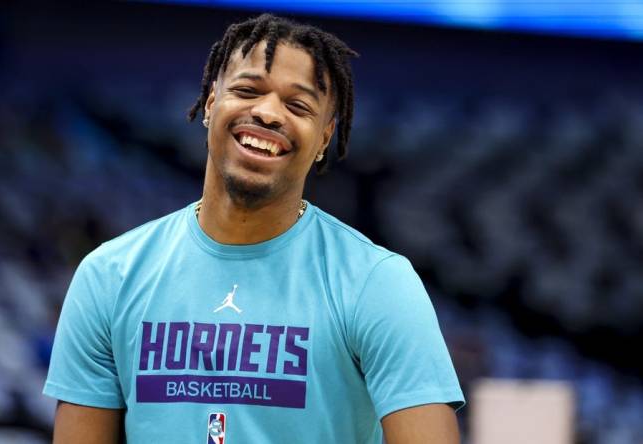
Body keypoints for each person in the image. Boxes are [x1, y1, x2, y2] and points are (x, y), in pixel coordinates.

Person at [44, 13, 464, 443]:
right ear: (210, 104)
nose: (266, 113)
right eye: (247, 90)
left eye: (298, 105)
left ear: (324, 137)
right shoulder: (108, 276)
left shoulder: (377, 283)